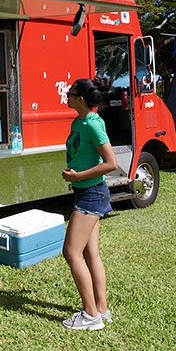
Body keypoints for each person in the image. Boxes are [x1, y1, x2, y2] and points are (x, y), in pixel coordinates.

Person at [61, 78, 118, 331]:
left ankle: (90, 315)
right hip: (85, 192)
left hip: (92, 193)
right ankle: (101, 310)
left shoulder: (93, 124)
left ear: (80, 98)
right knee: (89, 253)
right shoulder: (78, 122)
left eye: (70, 94)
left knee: (71, 252)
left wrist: (77, 176)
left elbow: (111, 163)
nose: (67, 96)